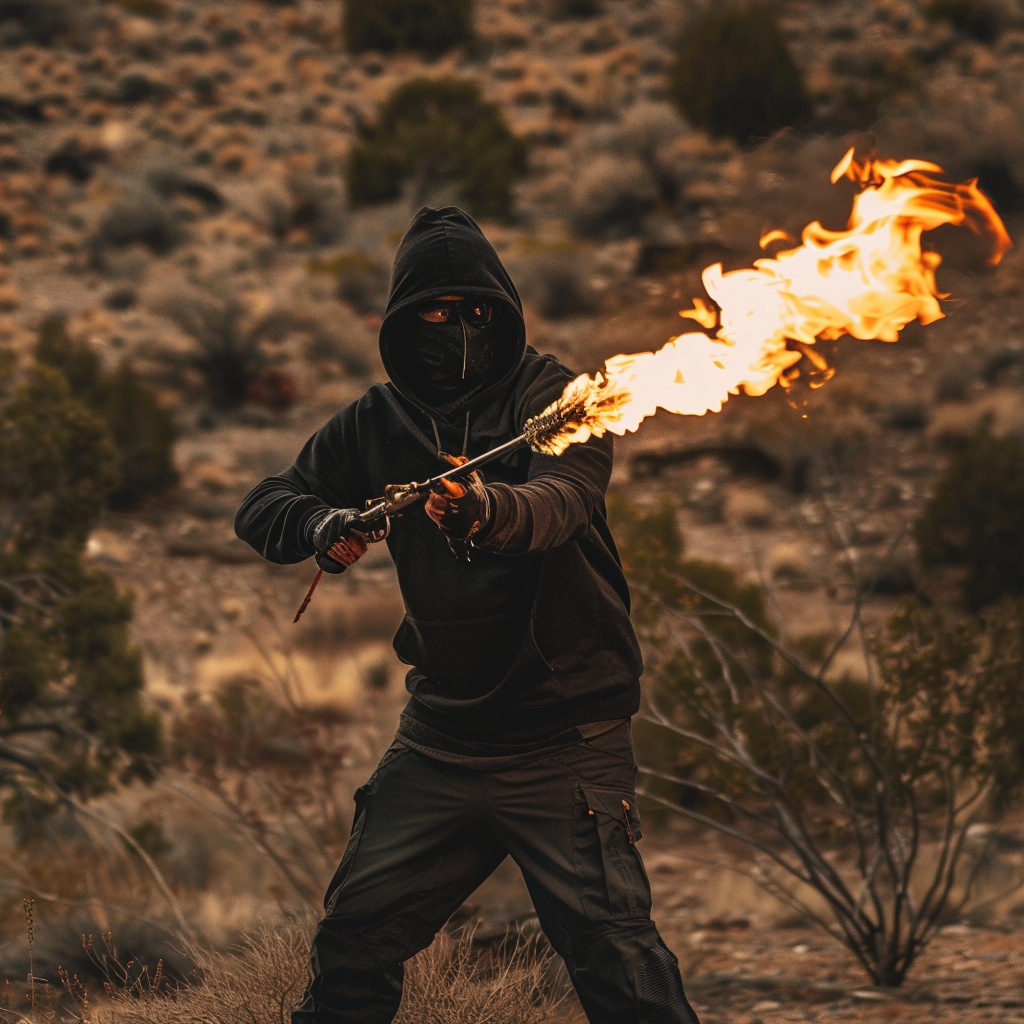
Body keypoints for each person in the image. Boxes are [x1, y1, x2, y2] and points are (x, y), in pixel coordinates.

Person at [234, 207, 701, 1024]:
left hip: (567, 740)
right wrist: (327, 527)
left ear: (508, 308)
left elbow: (560, 502)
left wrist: (482, 509)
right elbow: (265, 505)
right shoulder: (376, 422)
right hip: (444, 738)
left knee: (619, 964)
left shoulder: (561, 400)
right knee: (352, 941)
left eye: (479, 312)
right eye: (437, 315)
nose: (459, 331)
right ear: (401, 324)